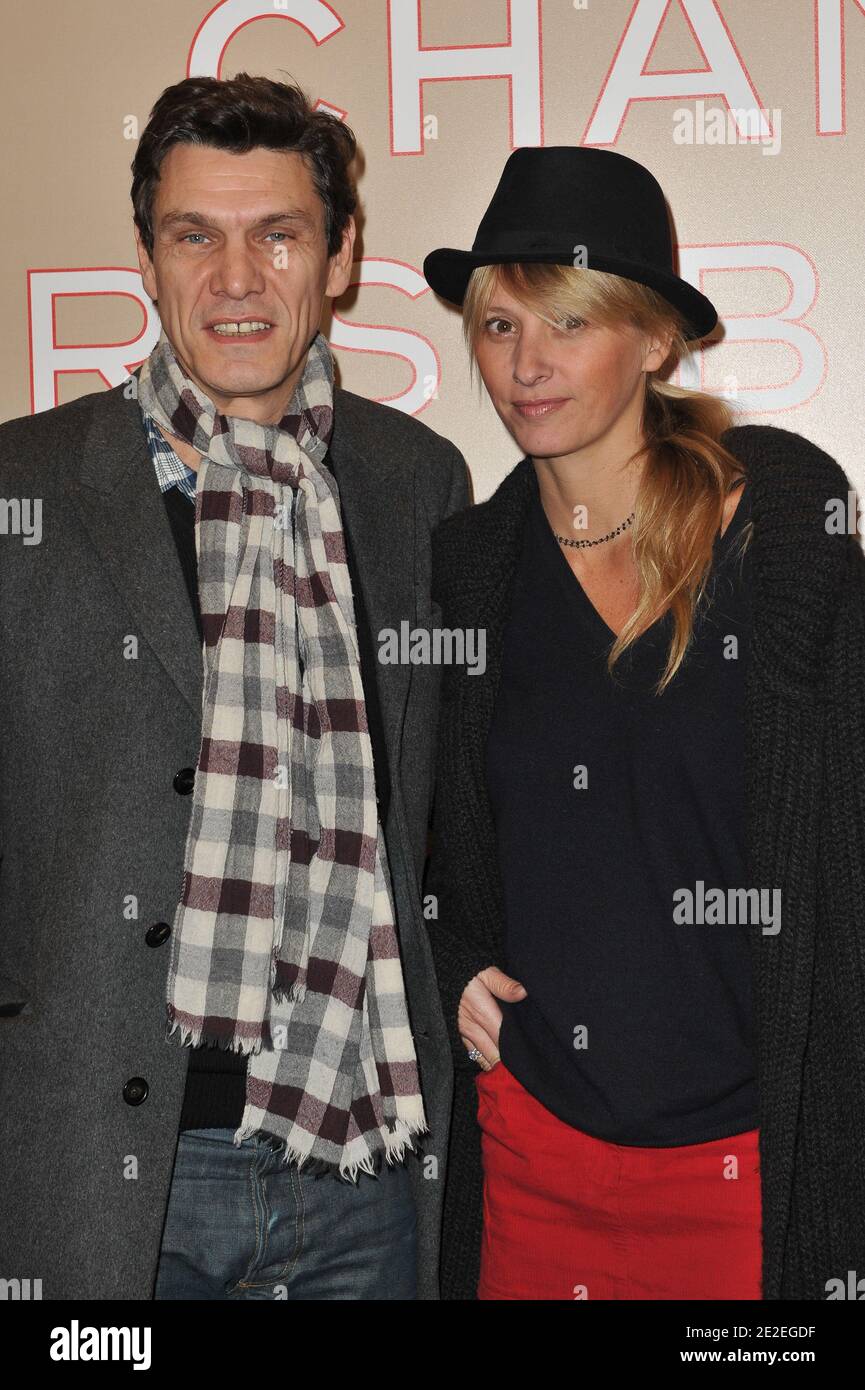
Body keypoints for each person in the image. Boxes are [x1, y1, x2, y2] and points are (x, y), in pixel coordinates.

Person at [0, 73, 469, 1301]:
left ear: (342, 256)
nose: (236, 278)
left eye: (278, 234)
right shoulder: (28, 488)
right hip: (102, 1167)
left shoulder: (419, 484)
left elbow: (458, 799)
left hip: (360, 1149)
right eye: (193, 235)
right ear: (148, 258)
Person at [421, 145, 865, 1300]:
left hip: (750, 1172)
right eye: (499, 326)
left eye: (567, 325)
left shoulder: (787, 555)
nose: (524, 365)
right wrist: (452, 954)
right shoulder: (470, 570)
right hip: (535, 1152)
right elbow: (427, 818)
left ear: (658, 339)